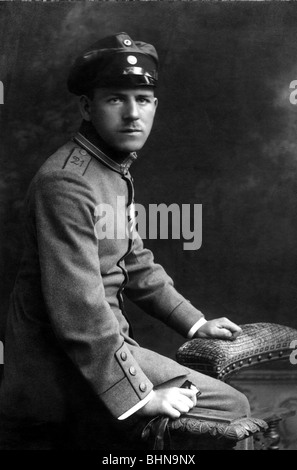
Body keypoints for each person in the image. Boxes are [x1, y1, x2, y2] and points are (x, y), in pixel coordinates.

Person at [0, 32, 251, 450]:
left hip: (102, 348)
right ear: (87, 105)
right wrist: (142, 398)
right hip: (60, 371)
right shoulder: (67, 182)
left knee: (227, 404)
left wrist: (196, 322)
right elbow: (79, 311)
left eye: (144, 99)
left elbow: (134, 261)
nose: (133, 114)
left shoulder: (107, 170)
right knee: (229, 407)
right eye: (116, 99)